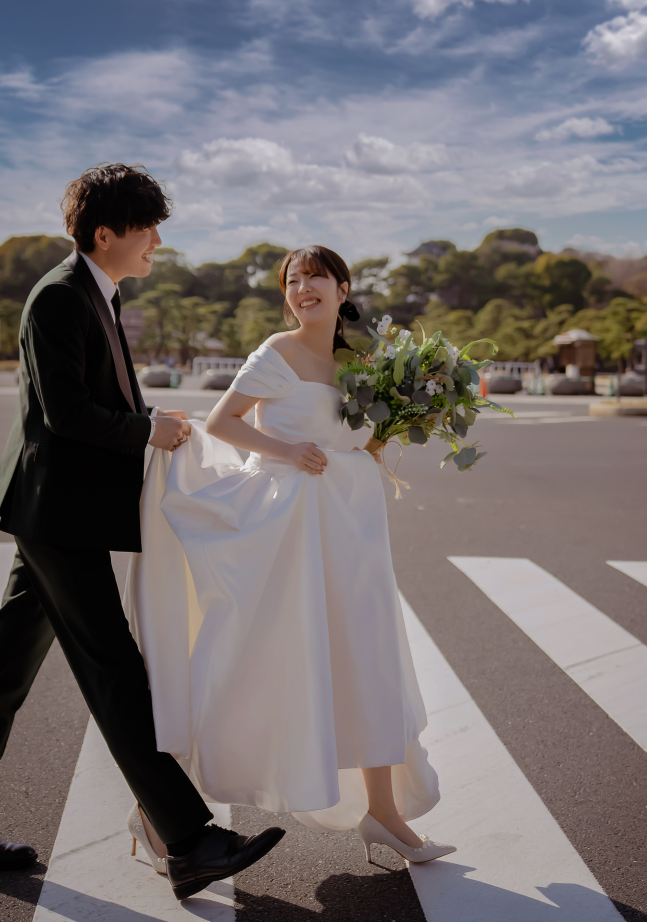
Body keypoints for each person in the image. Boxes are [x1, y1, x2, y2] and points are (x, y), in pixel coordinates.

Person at [0, 164, 284, 899]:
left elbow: (98, 401)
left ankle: (185, 837)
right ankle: (189, 839)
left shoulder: (95, 294)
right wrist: (147, 430)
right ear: (106, 233)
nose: (158, 239)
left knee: (1, 677)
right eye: (148, 226)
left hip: (56, 512)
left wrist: (148, 420)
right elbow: (66, 415)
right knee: (114, 670)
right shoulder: (61, 298)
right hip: (56, 514)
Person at [125, 245, 455, 869]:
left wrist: (402, 422)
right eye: (293, 281)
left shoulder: (360, 363)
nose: (304, 288)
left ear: (342, 287)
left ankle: (384, 814)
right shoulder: (275, 351)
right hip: (287, 529)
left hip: (351, 526)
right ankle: (159, 809)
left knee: (369, 656)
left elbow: (366, 436)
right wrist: (287, 449)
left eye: (316, 278)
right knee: (251, 665)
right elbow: (223, 422)